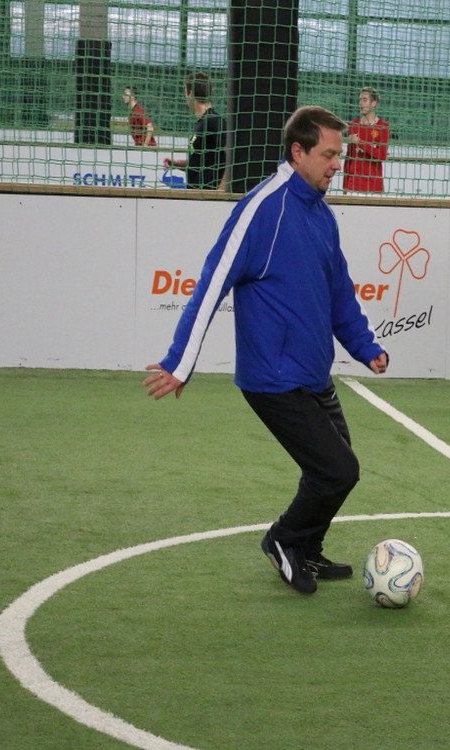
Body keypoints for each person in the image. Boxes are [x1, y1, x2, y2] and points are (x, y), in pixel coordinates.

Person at [144, 105, 389, 595]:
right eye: (328, 155)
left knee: (334, 469)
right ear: (297, 151)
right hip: (273, 379)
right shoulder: (261, 210)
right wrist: (180, 363)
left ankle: (308, 548)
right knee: (338, 470)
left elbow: (338, 290)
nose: (337, 164)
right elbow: (211, 284)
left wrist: (364, 346)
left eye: (338, 155)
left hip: (314, 374)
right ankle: (283, 539)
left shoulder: (322, 214)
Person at [162, 72, 227, 191]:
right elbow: (201, 162)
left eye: (185, 92)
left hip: (208, 193)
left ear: (190, 94)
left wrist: (221, 190)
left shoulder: (213, 120)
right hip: (195, 192)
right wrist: (177, 163)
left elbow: (232, 153)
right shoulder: (202, 122)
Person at [343, 86, 390, 193]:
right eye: (360, 100)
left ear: (373, 103)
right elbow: (349, 157)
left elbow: (382, 156)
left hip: (373, 185)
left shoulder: (383, 126)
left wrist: (360, 143)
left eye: (364, 100)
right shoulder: (353, 125)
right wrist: (345, 184)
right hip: (353, 185)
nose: (361, 103)